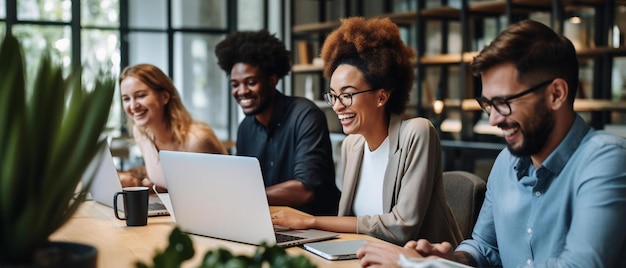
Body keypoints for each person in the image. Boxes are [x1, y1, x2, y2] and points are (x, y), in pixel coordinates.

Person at [357, 19, 626, 267]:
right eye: (488, 104)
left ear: (556, 94)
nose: (494, 120)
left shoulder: (605, 160)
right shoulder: (506, 162)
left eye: (504, 103)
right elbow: (484, 247)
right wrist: (447, 259)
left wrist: (416, 266)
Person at [270, 17, 463, 247]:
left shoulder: (417, 132)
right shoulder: (352, 145)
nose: (337, 106)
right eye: (333, 95)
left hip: (418, 260)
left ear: (381, 96)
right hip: (365, 255)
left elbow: (402, 227)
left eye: (347, 94)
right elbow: (347, 219)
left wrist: (311, 221)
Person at [214, 29, 340, 216]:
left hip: (315, 227)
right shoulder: (246, 128)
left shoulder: (305, 116)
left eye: (250, 82)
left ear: (272, 79)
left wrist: (246, 196)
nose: (242, 91)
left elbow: (305, 190)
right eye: (235, 84)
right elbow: (245, 184)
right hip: (269, 222)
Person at [119, 63, 227, 190]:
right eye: (126, 99)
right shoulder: (140, 132)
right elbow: (173, 182)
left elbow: (218, 190)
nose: (132, 106)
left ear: (164, 97)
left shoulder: (196, 140)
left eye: (141, 96)